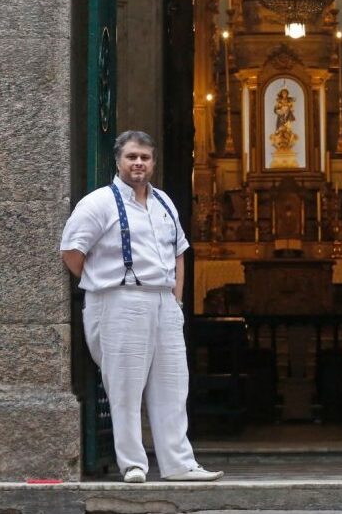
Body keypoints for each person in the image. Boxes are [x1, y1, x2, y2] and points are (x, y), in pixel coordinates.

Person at [60, 130, 223, 483]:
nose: (138, 163)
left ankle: (179, 464)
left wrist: (177, 299)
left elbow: (180, 251)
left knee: (173, 384)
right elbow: (71, 252)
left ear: (153, 163)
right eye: (132, 157)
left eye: (145, 158)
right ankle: (133, 464)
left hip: (163, 300)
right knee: (125, 386)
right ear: (118, 161)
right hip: (121, 298)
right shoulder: (98, 203)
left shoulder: (164, 201)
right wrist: (104, 281)